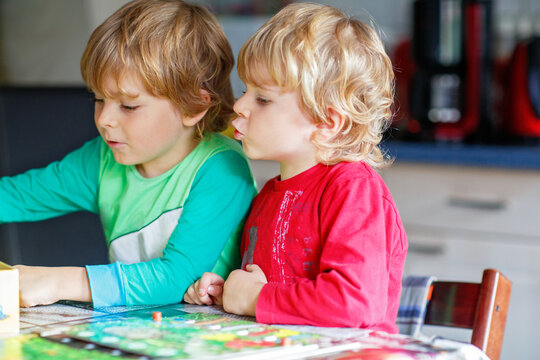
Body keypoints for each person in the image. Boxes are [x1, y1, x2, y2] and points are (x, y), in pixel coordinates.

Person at [0, 0, 256, 308]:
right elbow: (16, 197)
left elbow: (176, 277)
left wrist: (60, 281)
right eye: (98, 98)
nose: (104, 119)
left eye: (128, 106)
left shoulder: (221, 170)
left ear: (195, 106)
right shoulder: (102, 160)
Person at [183, 3, 408, 333]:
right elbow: (270, 290)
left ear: (327, 122)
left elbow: (354, 302)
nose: (239, 106)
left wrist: (254, 298)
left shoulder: (353, 191)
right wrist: (224, 291)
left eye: (262, 98)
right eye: (246, 90)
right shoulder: (269, 195)